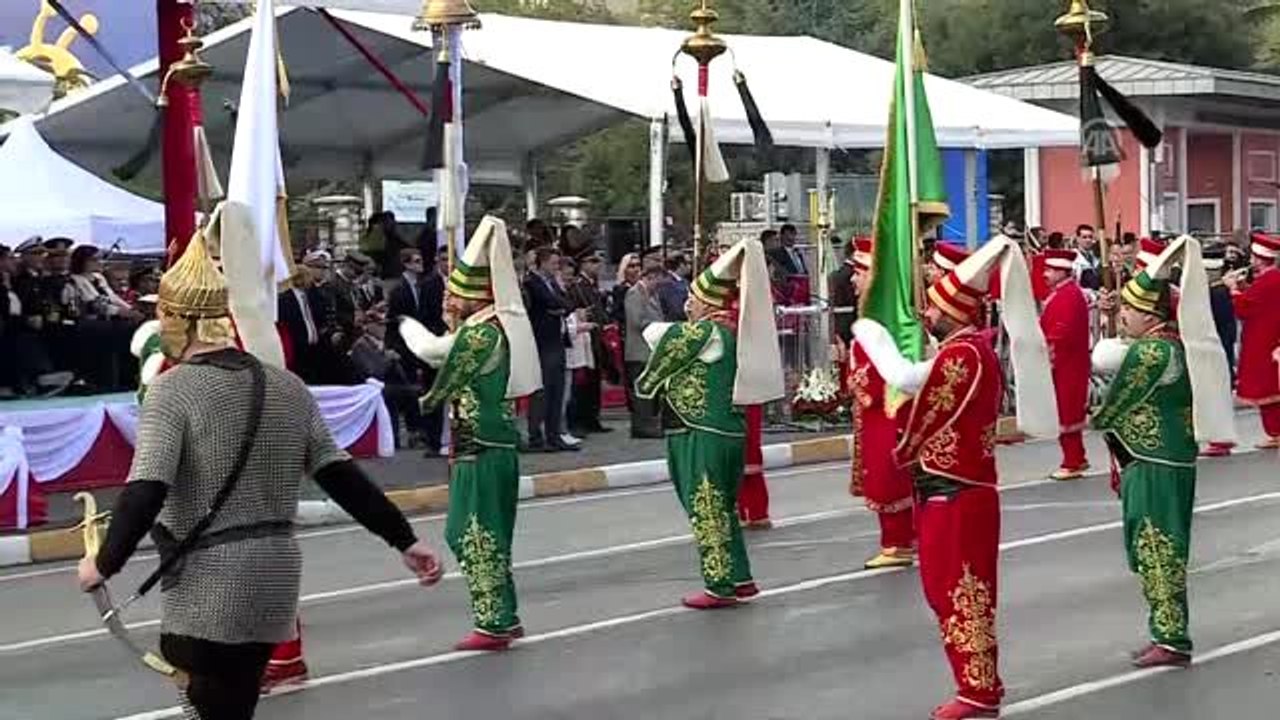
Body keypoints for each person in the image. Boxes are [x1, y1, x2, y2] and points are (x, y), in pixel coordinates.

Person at [76, 236, 444, 720]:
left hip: (209, 579)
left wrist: (104, 563)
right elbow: (342, 477)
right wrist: (404, 540)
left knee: (207, 700)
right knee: (234, 703)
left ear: (180, 319)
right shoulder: (286, 385)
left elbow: (147, 489)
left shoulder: (173, 390)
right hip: (275, 576)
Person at [854, 236, 1057, 719]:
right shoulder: (963, 350)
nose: (927, 314)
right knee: (949, 590)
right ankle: (979, 683)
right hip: (948, 489)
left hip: (958, 491)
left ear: (953, 313)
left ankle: (978, 691)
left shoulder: (964, 354)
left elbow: (910, 387)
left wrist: (875, 337)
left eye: (934, 308)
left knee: (963, 592)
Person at [1091, 235, 1234, 669]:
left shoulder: (1153, 350)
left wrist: (1097, 418)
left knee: (1159, 549)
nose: (1123, 317)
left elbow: (1116, 397)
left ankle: (1171, 638)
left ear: (1149, 316)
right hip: (1157, 459)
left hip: (1157, 462)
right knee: (1154, 547)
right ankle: (1165, 633)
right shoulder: (1166, 344)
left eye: (1129, 311)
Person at [400, 216, 541, 651]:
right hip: (486, 443)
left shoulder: (481, 334)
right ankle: (504, 615)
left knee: (471, 531)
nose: (447, 297)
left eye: (454, 293)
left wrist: (404, 322)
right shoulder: (489, 329)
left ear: (474, 296)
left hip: (481, 445)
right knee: (490, 531)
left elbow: (431, 351)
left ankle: (493, 620)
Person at [635, 237, 784, 608]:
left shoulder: (707, 332)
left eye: (694, 298)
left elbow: (653, 334)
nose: (688, 303)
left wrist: (684, 316)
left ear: (708, 303)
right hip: (719, 431)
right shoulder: (727, 331)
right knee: (722, 509)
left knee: (707, 508)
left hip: (704, 432)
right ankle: (739, 577)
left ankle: (719, 583)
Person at [846, 239, 915, 569]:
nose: (853, 280)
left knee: (887, 474)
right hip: (880, 411)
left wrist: (853, 380)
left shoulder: (880, 320)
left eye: (859, 273)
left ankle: (897, 542)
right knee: (885, 471)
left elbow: (875, 373)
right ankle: (902, 538)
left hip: (885, 411)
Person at [1039, 249, 1092, 480]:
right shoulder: (1064, 293)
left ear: (1063, 271)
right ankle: (1077, 457)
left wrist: (1047, 349)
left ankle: (1072, 461)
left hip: (1067, 363)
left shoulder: (1069, 295)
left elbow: (1062, 332)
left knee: (1067, 411)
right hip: (1066, 361)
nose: (1045, 274)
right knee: (1066, 409)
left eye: (1050, 270)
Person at [1225, 232, 1280, 449]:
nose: (1250, 260)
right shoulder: (1272, 279)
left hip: (1263, 339)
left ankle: (1275, 432)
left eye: (1253, 257)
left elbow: (1244, 308)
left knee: (1267, 389)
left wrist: (1233, 290)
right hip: (1270, 337)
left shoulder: (1266, 281)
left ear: (1260, 259)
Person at [524, 247, 577, 452]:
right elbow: (549, 301)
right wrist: (559, 307)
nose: (557, 267)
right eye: (553, 263)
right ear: (543, 262)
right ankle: (536, 437)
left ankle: (554, 435)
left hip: (557, 340)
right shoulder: (532, 282)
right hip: (542, 343)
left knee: (557, 390)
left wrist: (560, 308)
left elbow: (568, 303)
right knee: (542, 391)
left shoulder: (553, 282)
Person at [1200, 244, 1238, 458]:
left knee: (1217, 397)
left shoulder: (1216, 293)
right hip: (1220, 347)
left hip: (1217, 349)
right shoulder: (1219, 290)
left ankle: (1221, 439)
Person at [624, 265, 667, 438]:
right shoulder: (634, 294)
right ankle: (642, 426)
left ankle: (649, 424)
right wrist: (661, 328)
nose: (659, 286)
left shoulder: (653, 294)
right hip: (639, 350)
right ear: (651, 277)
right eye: (658, 281)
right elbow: (636, 321)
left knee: (650, 390)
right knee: (641, 390)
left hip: (651, 350)